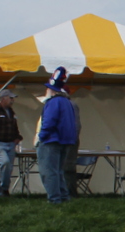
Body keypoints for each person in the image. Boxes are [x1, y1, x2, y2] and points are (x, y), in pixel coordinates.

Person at [36, 67, 76, 204]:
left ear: (51, 89)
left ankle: (54, 199)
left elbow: (48, 122)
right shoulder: (68, 103)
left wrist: (41, 137)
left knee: (49, 172)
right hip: (65, 142)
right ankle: (63, 197)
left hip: (51, 141)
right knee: (58, 171)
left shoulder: (53, 102)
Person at [62, 85, 82, 197]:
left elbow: (76, 125)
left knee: (67, 167)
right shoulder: (71, 104)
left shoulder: (70, 105)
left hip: (69, 140)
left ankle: (70, 192)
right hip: (70, 139)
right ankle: (69, 192)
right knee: (67, 167)